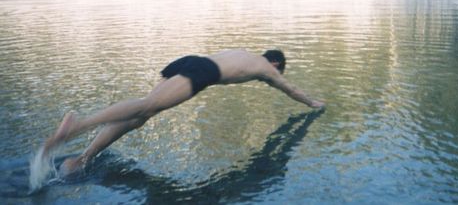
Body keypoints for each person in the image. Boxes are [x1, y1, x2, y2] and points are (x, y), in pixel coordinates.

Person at [42, 49, 325, 176]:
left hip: (191, 60)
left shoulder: (245, 53)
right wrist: (313, 103)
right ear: (275, 63)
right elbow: (291, 90)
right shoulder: (267, 68)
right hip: (203, 71)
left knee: (139, 118)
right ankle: (79, 125)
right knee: (145, 106)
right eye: (278, 71)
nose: (273, 78)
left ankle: (82, 159)